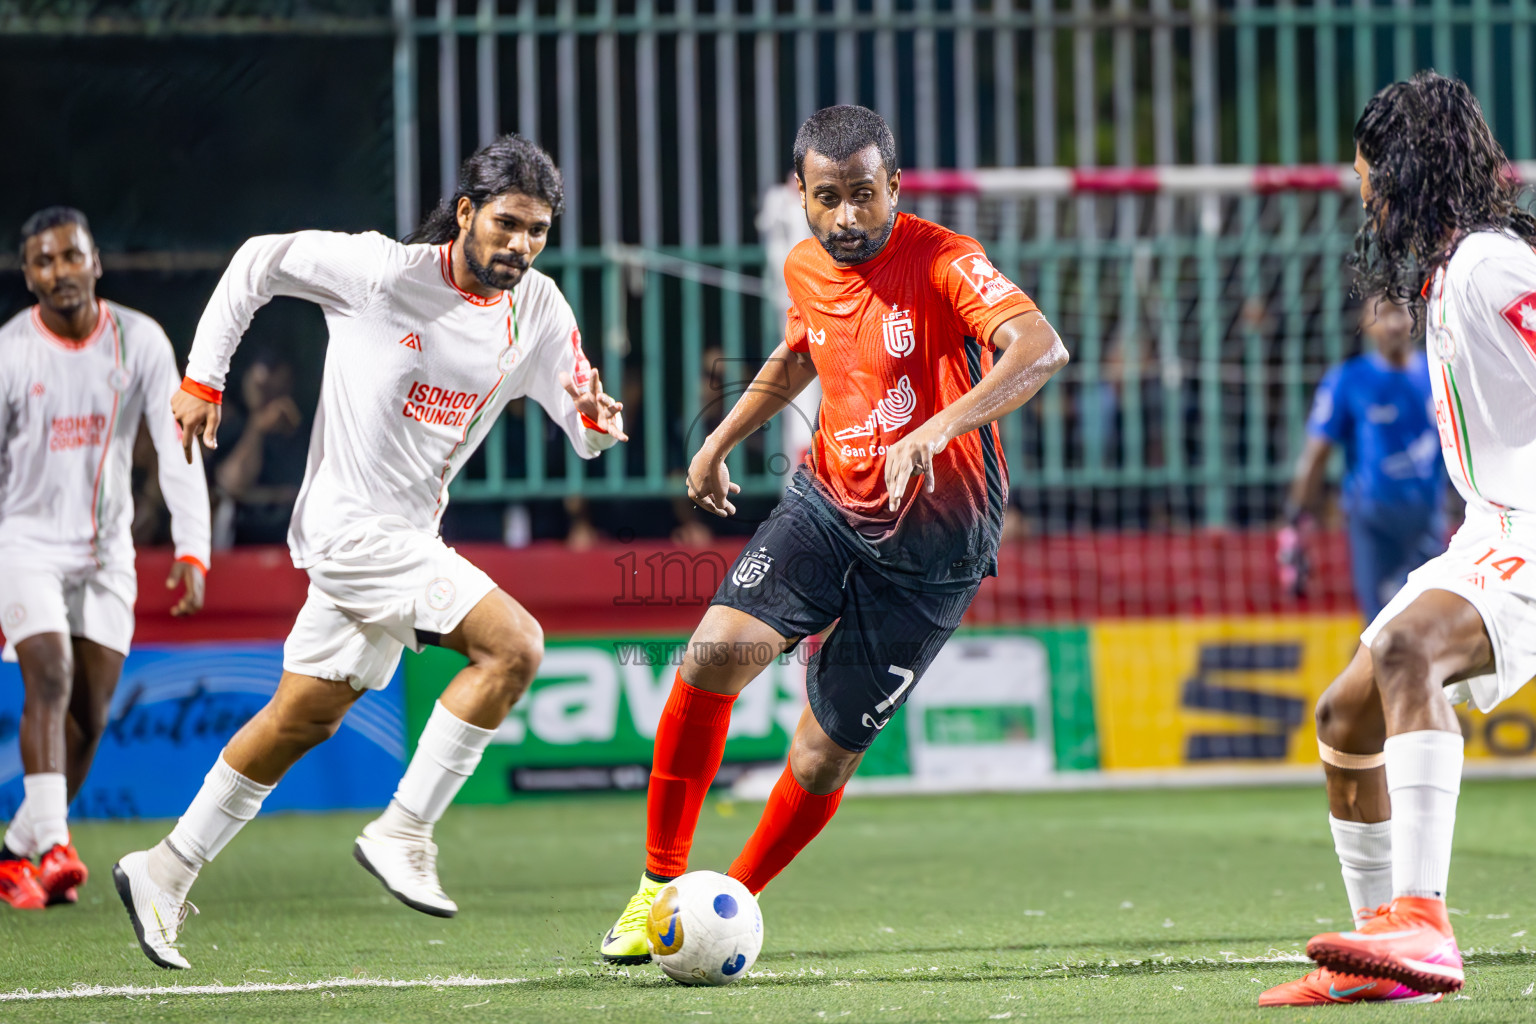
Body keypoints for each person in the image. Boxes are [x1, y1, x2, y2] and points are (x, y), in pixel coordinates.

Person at [112, 134, 626, 969]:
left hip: (406, 540)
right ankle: (405, 829)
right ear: (466, 213)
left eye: (538, 230)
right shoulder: (381, 273)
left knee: (300, 717)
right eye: (507, 224)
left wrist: (599, 421)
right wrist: (204, 379)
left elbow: (583, 426)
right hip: (350, 532)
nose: (522, 245)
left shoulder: (538, 309)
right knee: (516, 646)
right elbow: (256, 262)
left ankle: (163, 869)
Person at [598, 105, 1069, 962]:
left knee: (819, 758)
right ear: (802, 195)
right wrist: (718, 441)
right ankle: (658, 891)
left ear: (894, 186)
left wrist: (936, 429)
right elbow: (801, 353)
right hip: (824, 506)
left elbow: (1039, 349)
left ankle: (728, 902)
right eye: (828, 198)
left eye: (863, 195)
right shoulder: (806, 265)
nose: (847, 217)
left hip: (935, 547)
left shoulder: (945, 260)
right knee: (709, 659)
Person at [1261, 71, 1536, 1006]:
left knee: (1409, 649)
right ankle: (1377, 961)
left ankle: (1422, 917)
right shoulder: (1453, 270)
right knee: (1345, 715)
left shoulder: (1494, 266)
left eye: (1369, 175)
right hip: (1488, 526)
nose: (1364, 195)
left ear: (1405, 171)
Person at [0, 207, 210, 911]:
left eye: (70, 257)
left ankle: (14, 853)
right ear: (28, 275)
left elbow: (173, 436)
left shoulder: (139, 339)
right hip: (23, 542)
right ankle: (57, 844)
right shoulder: (10, 353)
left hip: (106, 553)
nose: (58, 271)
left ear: (96, 262)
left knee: (90, 714)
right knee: (50, 676)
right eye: (43, 261)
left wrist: (192, 544)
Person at [1278, 295, 1446, 620]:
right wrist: (1295, 523)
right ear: (1366, 325)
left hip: (1427, 522)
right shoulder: (1348, 380)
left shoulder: (1437, 374)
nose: (1395, 323)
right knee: (1383, 626)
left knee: (1428, 625)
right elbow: (1316, 455)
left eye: (1403, 312)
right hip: (1373, 523)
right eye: (1384, 313)